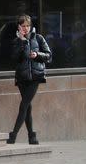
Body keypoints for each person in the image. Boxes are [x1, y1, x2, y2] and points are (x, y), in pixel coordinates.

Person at [7, 14, 52, 145]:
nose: (26, 28)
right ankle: (32, 136)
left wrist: (37, 54)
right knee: (28, 107)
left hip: (35, 77)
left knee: (24, 105)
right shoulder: (16, 41)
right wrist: (22, 41)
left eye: (27, 25)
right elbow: (15, 58)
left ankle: (13, 135)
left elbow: (49, 55)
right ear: (19, 27)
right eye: (23, 26)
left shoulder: (38, 38)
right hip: (22, 77)